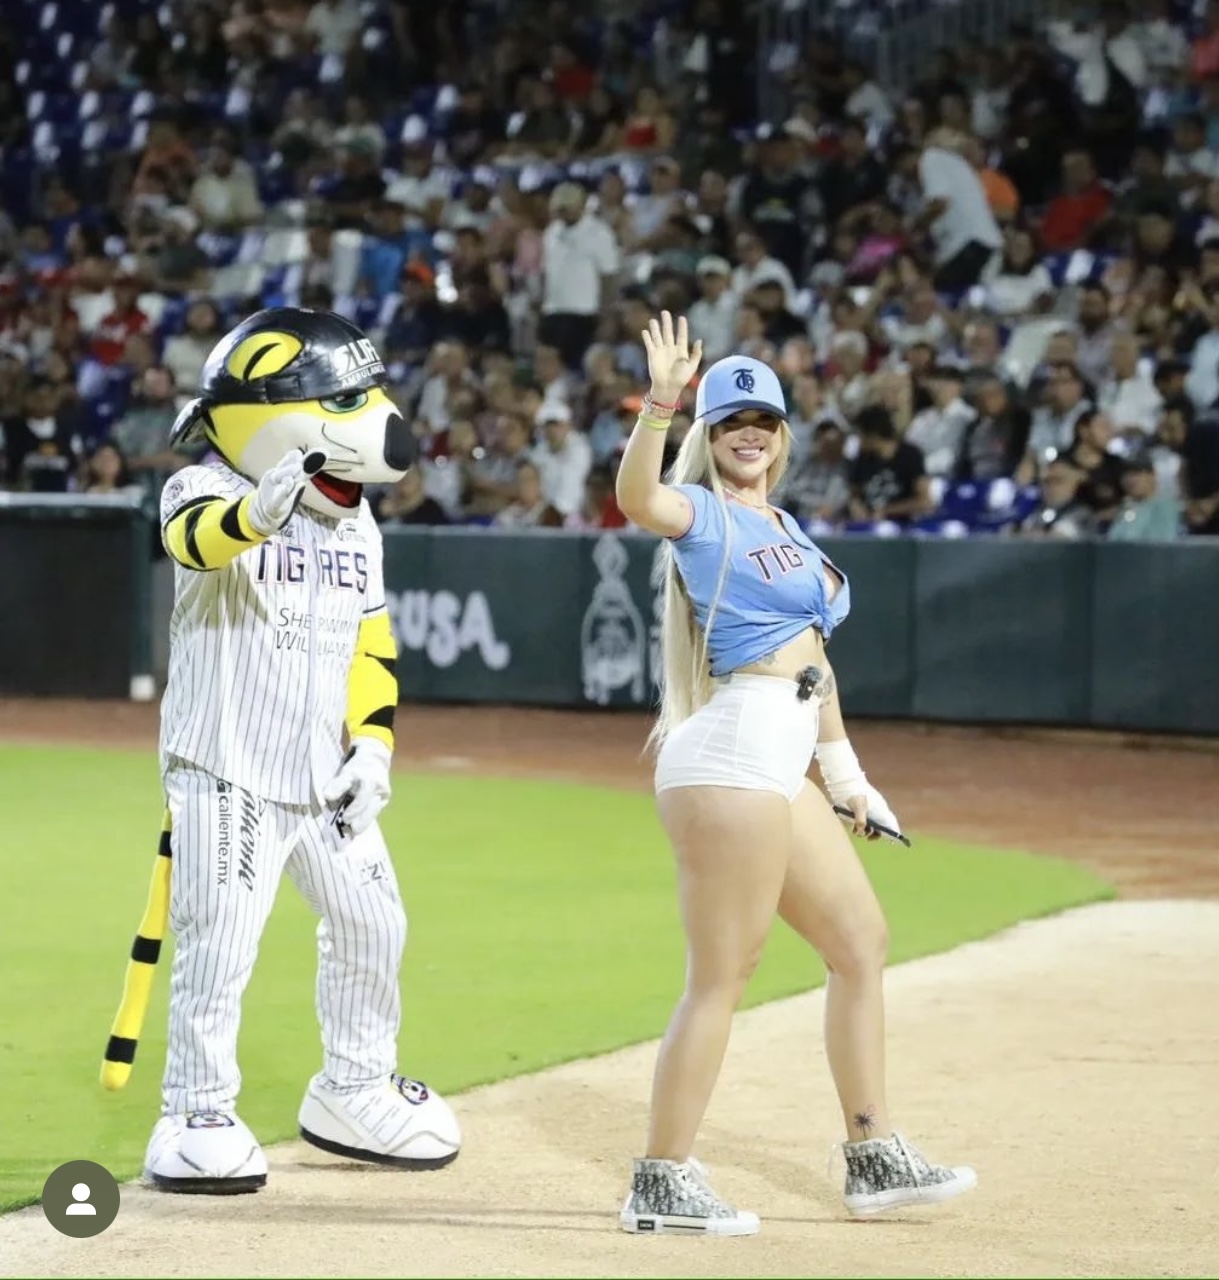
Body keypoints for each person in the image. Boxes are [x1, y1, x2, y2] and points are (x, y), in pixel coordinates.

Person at [612, 312, 977, 1235]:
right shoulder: (702, 515)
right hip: (731, 754)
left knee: (859, 943)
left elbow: (815, 663)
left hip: (782, 755)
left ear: (782, 435)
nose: (749, 433)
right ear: (708, 434)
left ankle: (872, 1154)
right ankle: (660, 1178)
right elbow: (638, 500)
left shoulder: (784, 527)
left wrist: (847, 779)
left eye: (763, 421)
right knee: (723, 975)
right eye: (731, 421)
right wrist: (660, 404)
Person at [124, 307, 461, 1193]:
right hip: (227, 766)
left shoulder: (357, 524)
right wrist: (257, 511)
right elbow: (195, 541)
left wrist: (373, 748)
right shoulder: (196, 484)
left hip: (323, 775)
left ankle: (354, 1087)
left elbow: (370, 643)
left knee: (374, 923)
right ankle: (195, 1110)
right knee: (222, 941)